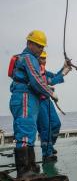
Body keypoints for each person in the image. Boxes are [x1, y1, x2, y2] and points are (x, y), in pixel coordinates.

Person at [8, 30, 58, 178]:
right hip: (24, 96)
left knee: (29, 131)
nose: (41, 49)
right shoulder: (28, 58)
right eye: (38, 45)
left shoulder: (30, 58)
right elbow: (36, 80)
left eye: (42, 46)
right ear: (29, 43)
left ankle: (31, 167)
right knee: (24, 131)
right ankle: (24, 171)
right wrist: (51, 93)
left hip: (29, 98)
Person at [37, 51, 71, 163]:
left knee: (56, 124)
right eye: (41, 58)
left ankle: (50, 147)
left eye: (45, 58)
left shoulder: (43, 71)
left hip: (47, 101)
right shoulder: (34, 71)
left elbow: (54, 76)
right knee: (45, 128)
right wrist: (64, 73)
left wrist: (64, 67)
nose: (44, 61)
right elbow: (51, 81)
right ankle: (47, 154)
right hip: (38, 102)